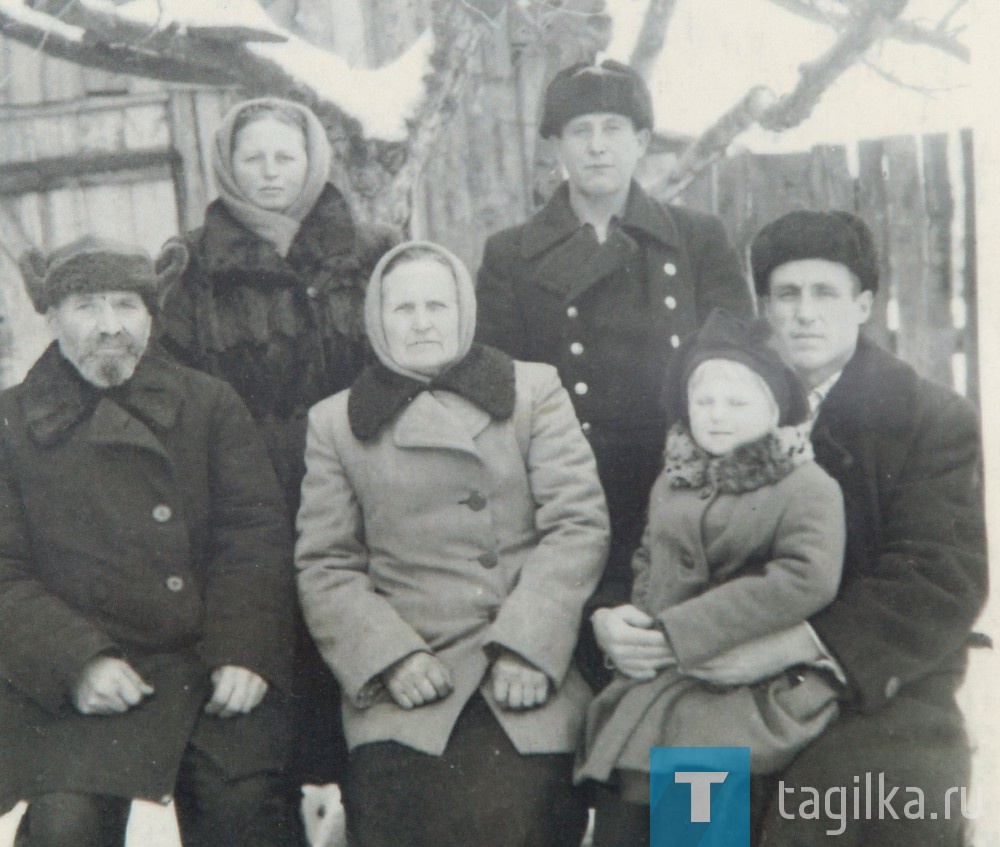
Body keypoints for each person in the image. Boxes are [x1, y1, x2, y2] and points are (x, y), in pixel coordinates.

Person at [295, 241, 610, 847]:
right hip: (408, 678)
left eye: (436, 306)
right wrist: (389, 657)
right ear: (376, 321)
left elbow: (577, 525)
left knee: (514, 815)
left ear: (464, 311)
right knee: (401, 814)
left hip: (517, 665)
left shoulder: (532, 391)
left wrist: (531, 646)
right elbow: (326, 563)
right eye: (403, 308)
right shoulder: (336, 423)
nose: (421, 323)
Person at [0, 237, 297, 847]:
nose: (110, 328)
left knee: (243, 809)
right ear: (51, 317)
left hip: (204, 658)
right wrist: (76, 662)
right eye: (86, 306)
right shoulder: (12, 423)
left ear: (151, 314)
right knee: (66, 824)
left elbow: (254, 537)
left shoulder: (209, 404)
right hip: (80, 673)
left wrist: (243, 648)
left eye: (126, 305)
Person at [475, 60, 753, 687]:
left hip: (686, 494)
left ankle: (698, 792)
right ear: (555, 145)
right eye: (578, 130)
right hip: (566, 506)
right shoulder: (509, 256)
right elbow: (496, 398)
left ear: (642, 140)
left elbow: (745, 377)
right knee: (587, 698)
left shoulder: (699, 240)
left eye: (613, 127)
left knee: (693, 698)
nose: (597, 145)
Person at [712, 210, 985, 845]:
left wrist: (797, 647)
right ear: (765, 307)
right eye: (787, 294)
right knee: (682, 816)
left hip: (879, 687)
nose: (805, 313)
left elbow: (939, 577)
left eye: (825, 293)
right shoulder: (724, 410)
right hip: (735, 683)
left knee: (809, 826)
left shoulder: (929, 418)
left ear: (862, 304)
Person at [158, 96, 398, 796]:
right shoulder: (189, 269)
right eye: (252, 157)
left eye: (284, 156)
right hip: (246, 517)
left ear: (313, 161)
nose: (269, 172)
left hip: (368, 506)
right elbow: (175, 407)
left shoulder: (374, 252)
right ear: (227, 166)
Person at [575, 309, 846, 847]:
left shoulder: (806, 486)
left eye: (738, 402)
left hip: (743, 683)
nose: (717, 415)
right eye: (704, 401)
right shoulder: (674, 480)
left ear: (774, 409)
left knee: (696, 820)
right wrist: (637, 626)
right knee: (626, 807)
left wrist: (681, 631)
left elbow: (805, 577)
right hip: (659, 683)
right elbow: (649, 556)